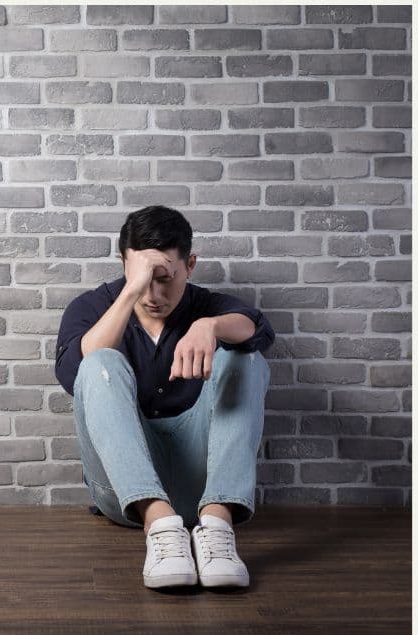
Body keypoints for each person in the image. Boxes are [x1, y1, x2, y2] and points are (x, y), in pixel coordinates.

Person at [54, 205, 275, 590]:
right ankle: (161, 527)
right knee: (98, 361)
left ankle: (218, 528)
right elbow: (74, 374)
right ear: (124, 263)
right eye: (144, 278)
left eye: (165, 278)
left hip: (204, 486)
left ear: (189, 265)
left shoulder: (205, 305)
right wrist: (130, 292)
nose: (154, 295)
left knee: (245, 357)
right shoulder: (91, 306)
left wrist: (210, 326)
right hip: (127, 499)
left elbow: (259, 330)